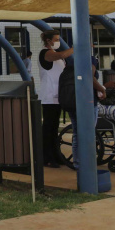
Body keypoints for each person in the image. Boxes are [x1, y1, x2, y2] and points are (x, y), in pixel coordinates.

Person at [37, 30, 73, 168]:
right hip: (49, 96)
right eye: (56, 39)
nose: (58, 41)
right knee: (48, 127)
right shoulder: (45, 53)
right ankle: (46, 156)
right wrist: (77, 47)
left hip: (58, 96)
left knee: (54, 128)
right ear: (48, 41)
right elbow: (63, 54)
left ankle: (54, 154)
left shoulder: (57, 56)